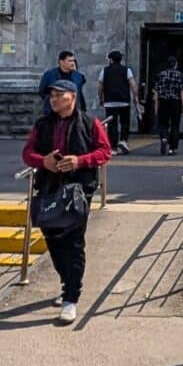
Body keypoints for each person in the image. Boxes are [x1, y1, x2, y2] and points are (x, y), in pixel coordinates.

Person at [21, 79, 112, 325]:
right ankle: (66, 282)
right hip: (49, 189)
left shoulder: (89, 123)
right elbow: (27, 153)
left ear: (72, 96)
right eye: (52, 96)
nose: (54, 100)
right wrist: (44, 161)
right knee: (52, 239)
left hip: (78, 191)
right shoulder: (43, 124)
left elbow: (105, 152)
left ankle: (71, 296)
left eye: (59, 95)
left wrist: (79, 161)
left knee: (73, 242)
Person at [99, 49, 138, 155]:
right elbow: (133, 84)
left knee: (112, 125)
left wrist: (101, 98)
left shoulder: (105, 70)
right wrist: (135, 96)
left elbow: (100, 85)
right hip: (124, 101)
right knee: (125, 122)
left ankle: (113, 148)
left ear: (111, 60)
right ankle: (123, 141)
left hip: (110, 101)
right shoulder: (126, 70)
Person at [152, 55, 183, 155]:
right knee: (175, 125)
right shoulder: (181, 75)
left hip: (163, 101)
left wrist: (156, 108)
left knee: (163, 123)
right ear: (176, 64)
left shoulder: (160, 75)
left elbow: (156, 93)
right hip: (175, 102)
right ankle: (172, 148)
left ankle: (164, 137)